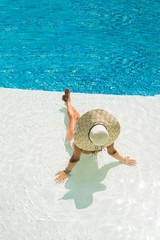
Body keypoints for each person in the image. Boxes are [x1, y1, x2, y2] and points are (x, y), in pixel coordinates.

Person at [55, 88, 136, 184]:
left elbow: (112, 152)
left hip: (83, 138)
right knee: (73, 117)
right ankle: (68, 102)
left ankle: (68, 102)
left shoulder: (104, 135)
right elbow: (75, 158)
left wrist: (123, 160)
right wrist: (66, 171)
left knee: (75, 117)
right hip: (73, 138)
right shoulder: (88, 141)